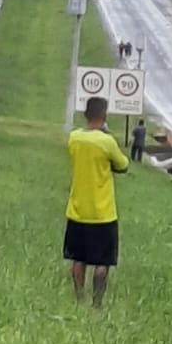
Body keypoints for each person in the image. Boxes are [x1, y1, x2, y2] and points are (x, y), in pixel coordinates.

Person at [65, 95, 129, 309]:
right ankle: (97, 303)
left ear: (85, 115)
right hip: (102, 212)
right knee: (102, 262)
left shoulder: (74, 138)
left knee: (78, 258)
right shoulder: (106, 142)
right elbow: (123, 165)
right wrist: (106, 135)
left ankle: (78, 298)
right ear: (105, 115)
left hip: (77, 209)